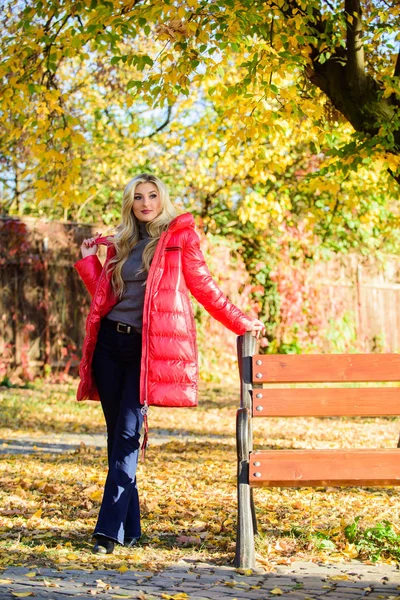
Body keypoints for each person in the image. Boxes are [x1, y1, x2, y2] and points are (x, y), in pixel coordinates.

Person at [74, 173, 265, 555]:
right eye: (138, 197)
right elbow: (105, 296)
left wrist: (242, 321)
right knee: (118, 439)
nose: (146, 203)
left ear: (163, 199)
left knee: (129, 436)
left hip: (147, 353)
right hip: (110, 347)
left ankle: (106, 532)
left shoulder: (180, 238)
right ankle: (131, 528)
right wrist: (88, 263)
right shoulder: (122, 243)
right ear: (130, 203)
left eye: (152, 195)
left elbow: (205, 288)